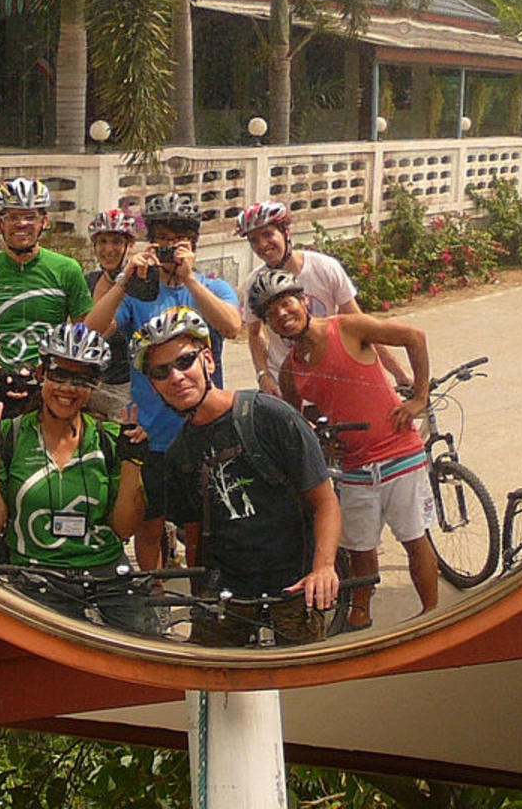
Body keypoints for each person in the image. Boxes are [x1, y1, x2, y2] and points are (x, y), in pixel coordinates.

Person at [132, 307, 340, 647]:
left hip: (293, 579)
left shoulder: (269, 416)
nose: (176, 376)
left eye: (185, 362)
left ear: (208, 361)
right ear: (154, 386)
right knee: (214, 682)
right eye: (160, 371)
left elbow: (324, 500)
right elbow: (194, 532)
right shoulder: (178, 453)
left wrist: (323, 568)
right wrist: (201, 597)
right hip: (227, 591)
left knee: (303, 682)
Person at [251, 269, 438, 627]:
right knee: (360, 548)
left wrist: (419, 398)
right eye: (271, 313)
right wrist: (321, 439)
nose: (282, 315)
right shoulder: (290, 369)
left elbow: (414, 337)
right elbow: (297, 418)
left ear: (304, 301)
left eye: (286, 303)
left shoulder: (348, 328)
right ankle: (360, 615)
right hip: (354, 466)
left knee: (415, 538)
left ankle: (431, 615)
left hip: (399, 452)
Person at [85, 193, 241, 572]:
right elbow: (91, 331)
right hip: (151, 432)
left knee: (199, 527)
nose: (170, 248)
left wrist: (188, 278)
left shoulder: (214, 287)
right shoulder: (139, 294)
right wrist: (125, 280)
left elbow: (233, 327)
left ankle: (202, 596)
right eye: (162, 240)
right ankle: (152, 592)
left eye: (179, 240)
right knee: (149, 525)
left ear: (194, 244)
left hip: (201, 429)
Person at [0, 322, 153, 632]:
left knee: (146, 653)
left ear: (95, 384)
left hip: (105, 573)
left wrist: (132, 465)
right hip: (36, 576)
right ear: (42, 374)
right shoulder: (12, 436)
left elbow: (123, 529)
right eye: (59, 375)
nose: (68, 388)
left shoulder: (109, 439)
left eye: (81, 379)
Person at [234, 200, 414, 397]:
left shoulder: (324, 268)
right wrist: (263, 375)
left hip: (334, 378)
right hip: (288, 385)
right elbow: (254, 334)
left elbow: (363, 328)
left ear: (287, 232)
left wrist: (399, 374)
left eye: (268, 234)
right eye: (253, 240)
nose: (262, 245)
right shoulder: (255, 283)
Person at [0, 177, 93, 418]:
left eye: (30, 216)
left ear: (44, 221)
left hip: (50, 387)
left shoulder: (67, 269)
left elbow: (84, 330)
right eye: (12, 216)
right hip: (0, 384)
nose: (21, 223)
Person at [82, 209, 140, 421]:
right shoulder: (87, 281)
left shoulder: (138, 285)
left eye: (116, 242)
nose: (109, 249)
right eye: (102, 242)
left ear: (129, 245)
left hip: (125, 386)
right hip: (87, 383)